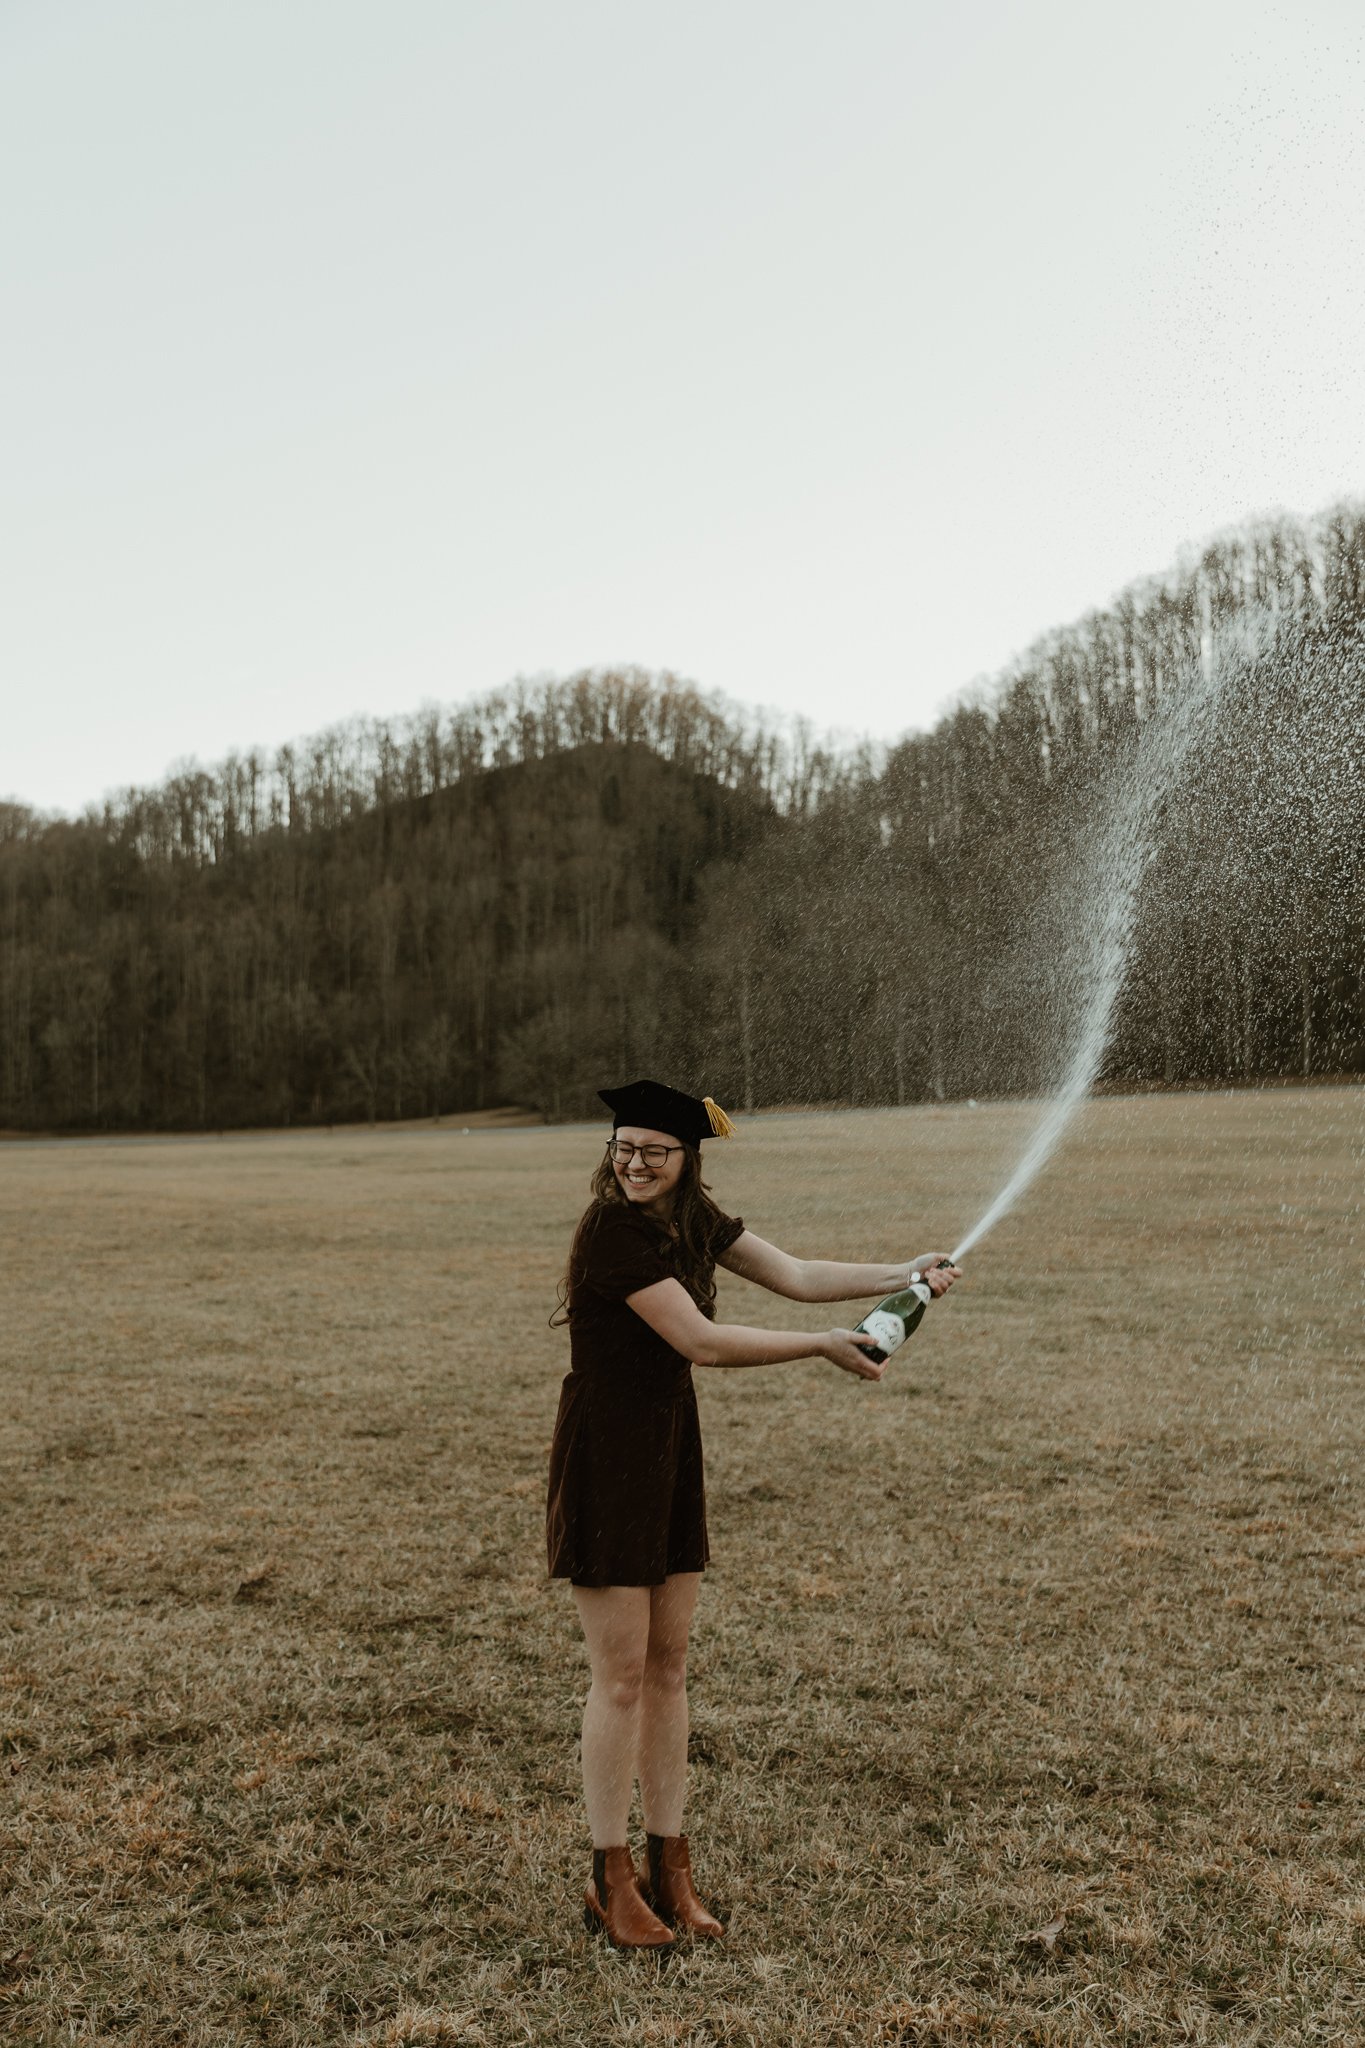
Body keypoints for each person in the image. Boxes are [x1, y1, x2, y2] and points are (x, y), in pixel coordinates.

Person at [546, 1077, 960, 1949]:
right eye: (623, 1149)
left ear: (687, 1160)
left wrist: (903, 1272)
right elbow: (696, 1339)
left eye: (654, 1152)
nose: (633, 1165)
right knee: (618, 1676)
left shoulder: (693, 1220)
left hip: (667, 1446)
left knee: (668, 1666)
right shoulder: (612, 1229)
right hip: (609, 1454)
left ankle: (671, 1865)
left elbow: (798, 1275)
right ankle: (608, 1876)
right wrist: (820, 1347)